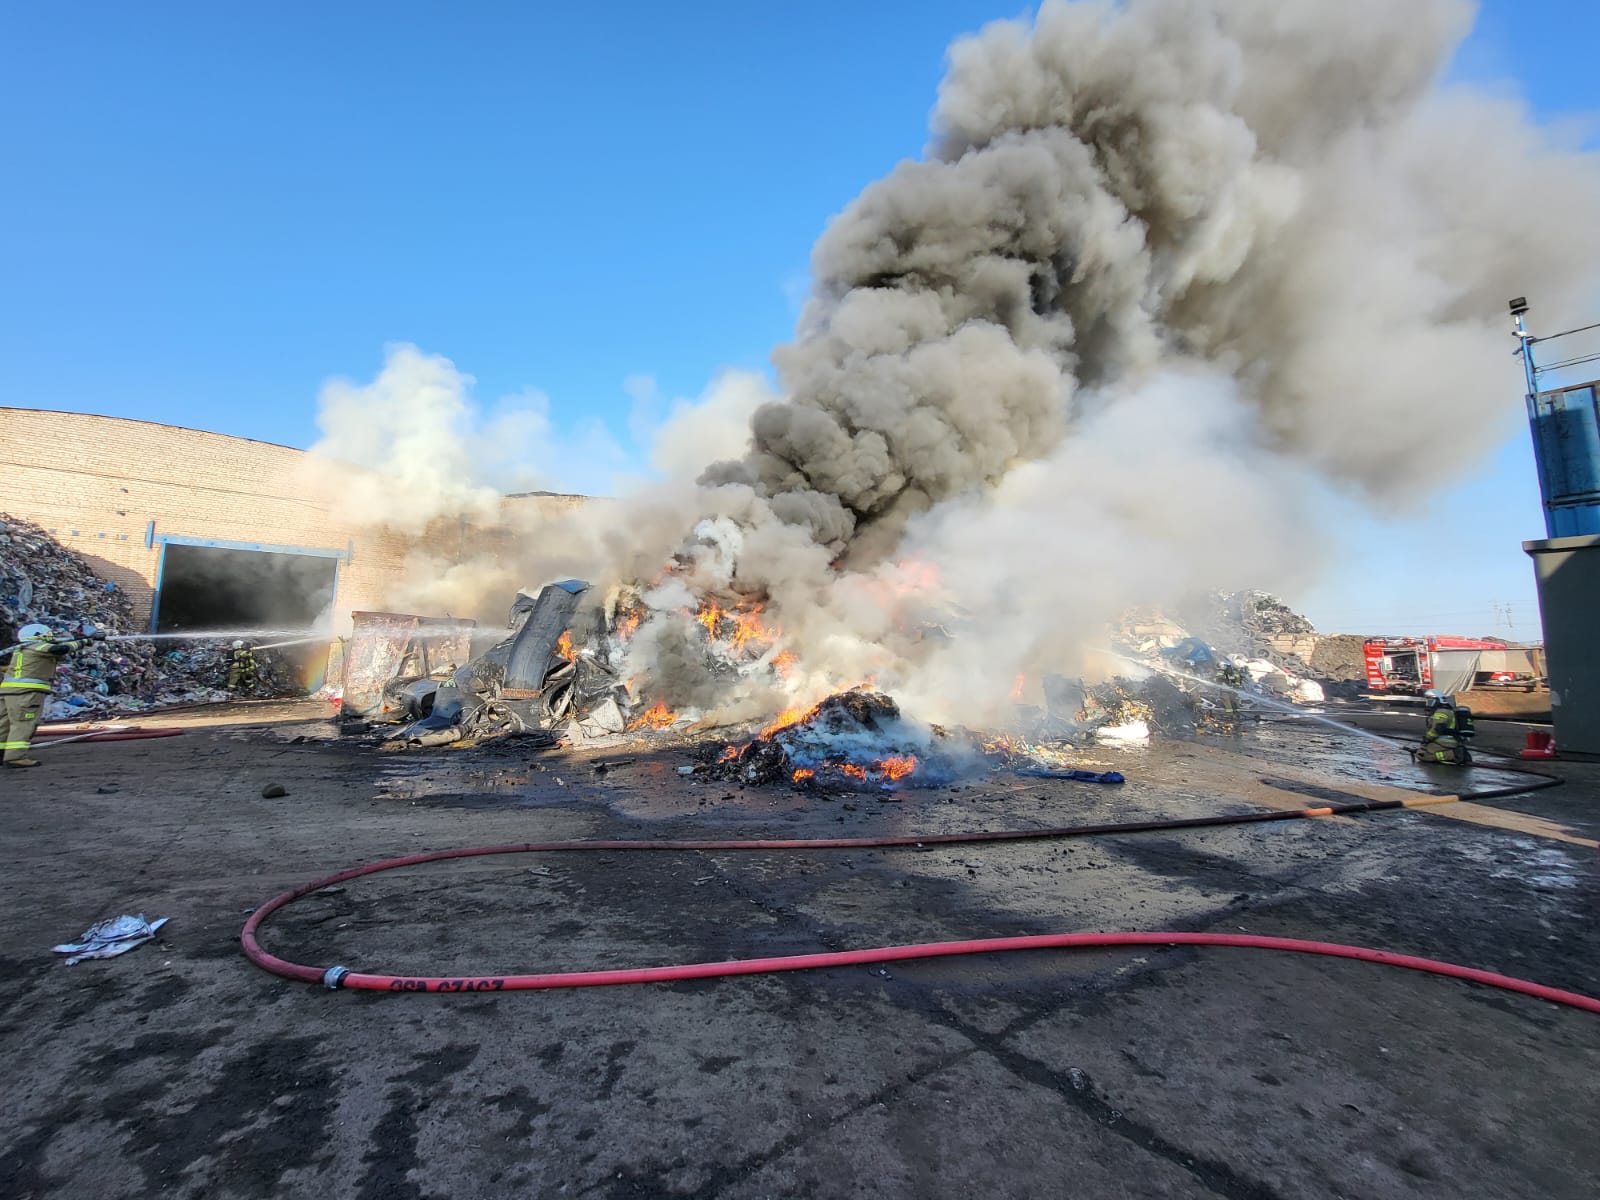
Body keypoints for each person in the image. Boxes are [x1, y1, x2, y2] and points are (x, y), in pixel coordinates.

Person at [1, 622, 104, 768]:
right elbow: (61, 649)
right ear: (39, 635)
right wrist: (85, 641)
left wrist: (76, 639)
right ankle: (15, 757)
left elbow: (59, 653)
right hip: (25, 693)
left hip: (9, 691)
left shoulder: (23, 649)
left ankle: (2, 753)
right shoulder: (38, 646)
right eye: (49, 635)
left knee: (4, 724)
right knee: (24, 724)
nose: (52, 637)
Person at [1416, 689, 1472, 765]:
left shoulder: (1441, 712)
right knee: (1421, 751)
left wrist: (1427, 739)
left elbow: (1437, 729)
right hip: (1448, 741)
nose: (1427, 703)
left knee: (1423, 756)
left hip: (1445, 742)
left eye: (1429, 700)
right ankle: (1455, 753)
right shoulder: (1447, 710)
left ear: (1436, 700)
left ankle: (1454, 754)